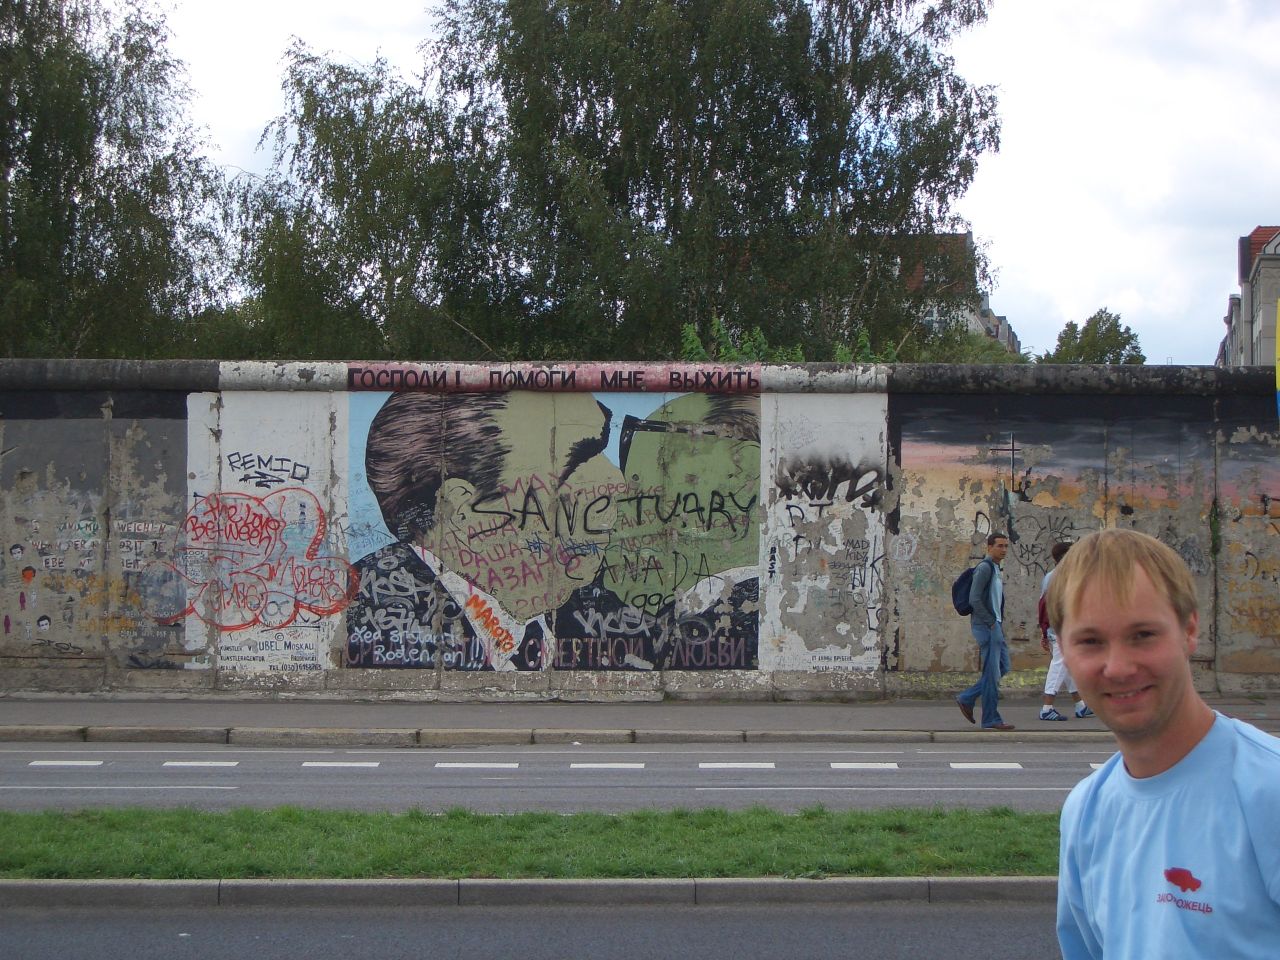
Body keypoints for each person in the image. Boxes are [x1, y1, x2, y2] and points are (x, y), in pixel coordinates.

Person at [1049, 529, 1280, 958]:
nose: (1118, 668)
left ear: (1189, 629)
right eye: (1091, 641)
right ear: (1062, 648)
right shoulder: (1085, 812)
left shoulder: (1269, 791)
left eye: (1142, 635)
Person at [955, 532, 1014, 730]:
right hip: (987, 627)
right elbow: (974, 598)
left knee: (1003, 667)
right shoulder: (985, 568)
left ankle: (967, 697)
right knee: (992, 672)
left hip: (995, 626)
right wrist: (990, 622)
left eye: (1006, 546)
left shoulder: (996, 568)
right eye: (1000, 546)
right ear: (989, 547)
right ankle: (990, 718)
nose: (1003, 550)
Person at [1037, 541, 1092, 721]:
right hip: (1062, 627)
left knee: (1065, 665)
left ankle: (1080, 705)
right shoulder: (1065, 578)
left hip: (1054, 627)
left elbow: (1042, 605)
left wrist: (1044, 631)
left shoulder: (1050, 576)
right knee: (1059, 664)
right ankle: (1047, 707)